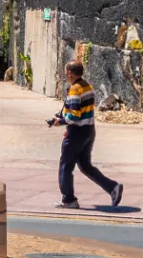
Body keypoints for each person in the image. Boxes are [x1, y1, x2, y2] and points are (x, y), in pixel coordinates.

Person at [50, 59, 124, 209]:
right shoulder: (87, 86)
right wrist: (61, 117)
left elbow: (74, 115)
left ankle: (69, 199)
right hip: (89, 130)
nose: (65, 74)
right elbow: (78, 110)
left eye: (66, 72)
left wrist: (61, 122)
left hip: (76, 133)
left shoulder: (74, 90)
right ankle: (112, 187)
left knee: (65, 166)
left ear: (70, 73)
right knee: (85, 166)